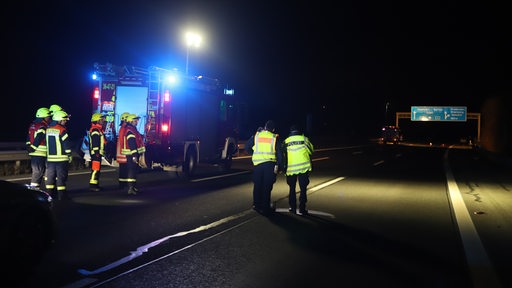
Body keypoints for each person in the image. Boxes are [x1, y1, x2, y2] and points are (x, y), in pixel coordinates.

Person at [245, 120, 283, 215]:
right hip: (270, 165)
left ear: (265, 127)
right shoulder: (275, 138)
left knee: (257, 185)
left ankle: (256, 205)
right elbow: (279, 154)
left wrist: (255, 154)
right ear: (273, 129)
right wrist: (280, 166)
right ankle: (265, 207)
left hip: (258, 164)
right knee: (267, 186)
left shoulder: (257, 136)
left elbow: (247, 147)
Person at [283, 125, 314, 215]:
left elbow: (283, 155)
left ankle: (292, 207)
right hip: (303, 168)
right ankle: (302, 208)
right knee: (303, 189)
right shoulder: (304, 139)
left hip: (291, 168)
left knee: (292, 188)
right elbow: (311, 150)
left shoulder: (286, 141)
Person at [45, 110, 72, 200]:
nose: (65, 122)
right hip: (61, 159)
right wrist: (69, 155)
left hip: (50, 160)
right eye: (64, 120)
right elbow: (66, 144)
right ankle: (61, 196)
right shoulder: (62, 130)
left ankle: (49, 196)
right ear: (59, 120)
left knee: (50, 178)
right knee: (61, 178)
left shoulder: (48, 129)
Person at [26, 107, 52, 188]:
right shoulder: (43, 126)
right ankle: (33, 191)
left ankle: (35, 190)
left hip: (34, 152)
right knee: (38, 172)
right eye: (48, 116)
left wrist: (28, 147)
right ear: (44, 117)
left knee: (37, 172)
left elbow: (28, 137)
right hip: (40, 152)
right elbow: (39, 137)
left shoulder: (33, 125)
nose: (49, 118)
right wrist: (33, 147)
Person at [121, 114, 146, 195]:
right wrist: (135, 155)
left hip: (133, 154)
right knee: (132, 170)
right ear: (131, 121)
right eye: (135, 120)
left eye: (137, 120)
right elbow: (132, 144)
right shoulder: (130, 131)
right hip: (132, 154)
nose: (137, 121)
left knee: (134, 170)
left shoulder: (133, 129)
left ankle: (133, 187)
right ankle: (130, 188)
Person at [88, 113, 106, 191]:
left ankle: (95, 184)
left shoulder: (97, 129)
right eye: (101, 119)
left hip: (97, 153)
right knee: (95, 169)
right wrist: (96, 152)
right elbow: (95, 142)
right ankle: (93, 185)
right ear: (97, 120)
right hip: (96, 154)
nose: (103, 121)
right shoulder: (95, 130)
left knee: (96, 169)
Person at [116, 112, 130, 189]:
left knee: (123, 169)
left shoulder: (123, 128)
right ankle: (123, 184)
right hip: (123, 153)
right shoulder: (124, 129)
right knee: (124, 169)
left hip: (122, 153)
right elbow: (123, 140)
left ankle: (123, 183)